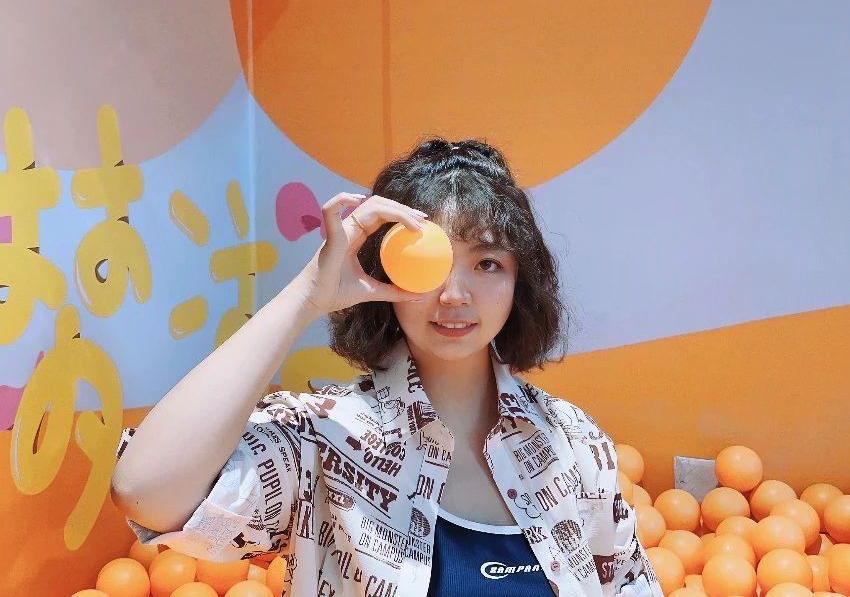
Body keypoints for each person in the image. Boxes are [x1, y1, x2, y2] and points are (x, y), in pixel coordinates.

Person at [111, 138, 662, 597]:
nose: (454, 294)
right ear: (387, 273)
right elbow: (144, 490)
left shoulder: (573, 444)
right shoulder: (324, 438)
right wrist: (307, 294)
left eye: (488, 263)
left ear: (521, 282)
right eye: (430, 262)